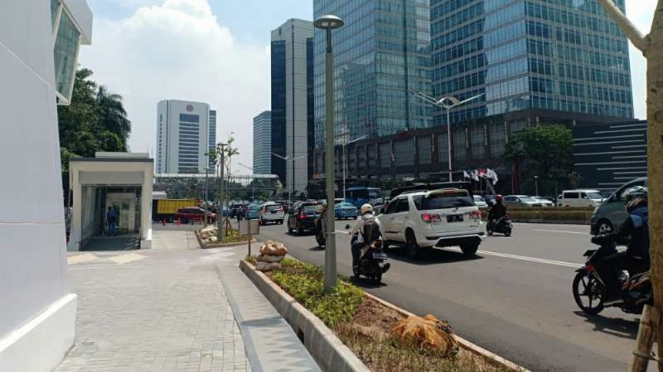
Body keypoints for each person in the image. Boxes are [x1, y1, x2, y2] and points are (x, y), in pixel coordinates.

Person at [592, 187, 649, 301]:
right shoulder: (653, 212)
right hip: (651, 256)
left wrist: (602, 239)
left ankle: (615, 294)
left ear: (635, 199)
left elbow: (620, 234)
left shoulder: (636, 216)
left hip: (637, 256)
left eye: (628, 199)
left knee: (604, 263)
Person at [349, 204, 383, 270]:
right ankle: (381, 262)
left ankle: (356, 264)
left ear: (362, 210)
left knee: (354, 246)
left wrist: (351, 232)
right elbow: (381, 230)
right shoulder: (376, 218)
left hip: (364, 242)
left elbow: (354, 230)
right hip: (377, 241)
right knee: (380, 248)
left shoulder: (361, 219)